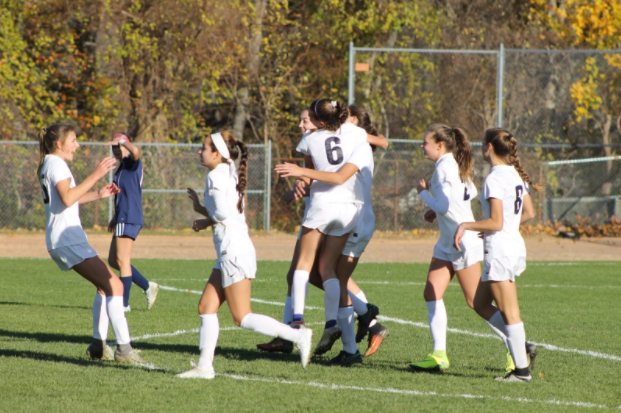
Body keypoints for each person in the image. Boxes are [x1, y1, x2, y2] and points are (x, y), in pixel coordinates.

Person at [176, 131, 313, 379]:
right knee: (206, 306)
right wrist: (200, 207)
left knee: (242, 317)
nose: (200, 151)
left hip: (234, 252)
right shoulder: (226, 172)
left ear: (217, 153)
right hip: (233, 251)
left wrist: (204, 221)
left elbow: (223, 213)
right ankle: (204, 367)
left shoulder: (216, 175)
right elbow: (224, 210)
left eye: (204, 147)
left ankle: (298, 335)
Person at [273, 105, 390, 359]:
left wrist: (303, 173)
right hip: (344, 213)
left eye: (306, 120)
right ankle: (348, 336)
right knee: (322, 272)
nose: (302, 125)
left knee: (325, 274)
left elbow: (337, 177)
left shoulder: (354, 140)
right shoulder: (347, 137)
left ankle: (355, 323)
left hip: (350, 215)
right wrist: (300, 183)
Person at [37, 123, 146, 365]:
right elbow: (67, 197)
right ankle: (125, 350)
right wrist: (96, 175)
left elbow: (66, 200)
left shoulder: (49, 163)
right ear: (58, 144)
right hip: (68, 239)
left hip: (64, 239)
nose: (77, 145)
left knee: (103, 287)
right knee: (116, 287)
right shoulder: (56, 164)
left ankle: (98, 345)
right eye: (73, 140)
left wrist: (98, 194)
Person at [454, 127, 541, 382]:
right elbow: (529, 213)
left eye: (482, 143)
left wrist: (466, 225)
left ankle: (522, 371)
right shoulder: (514, 174)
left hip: (501, 251)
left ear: (489, 147)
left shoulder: (495, 178)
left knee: (510, 312)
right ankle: (522, 346)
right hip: (511, 247)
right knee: (479, 303)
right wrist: (497, 228)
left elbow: (495, 222)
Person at [106, 133, 159, 312]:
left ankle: (124, 304)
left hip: (129, 216)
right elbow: (123, 194)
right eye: (113, 146)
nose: (116, 149)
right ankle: (147, 286)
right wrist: (115, 216)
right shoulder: (121, 168)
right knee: (114, 259)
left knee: (122, 260)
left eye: (118, 146)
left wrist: (123, 142)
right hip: (123, 216)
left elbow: (135, 151)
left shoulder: (131, 162)